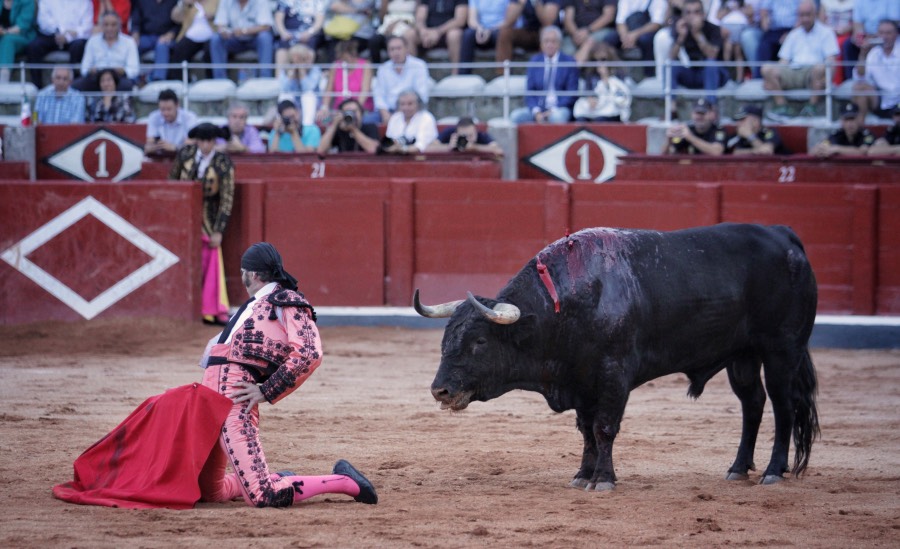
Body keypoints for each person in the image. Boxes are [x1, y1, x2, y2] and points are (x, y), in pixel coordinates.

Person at [53, 241, 378, 510]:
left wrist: (266, 391)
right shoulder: (251, 307)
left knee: (265, 497)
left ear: (250, 273)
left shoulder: (285, 301)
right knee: (209, 492)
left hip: (236, 400)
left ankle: (345, 481)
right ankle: (270, 475)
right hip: (210, 402)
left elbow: (309, 353)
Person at [169, 122, 235, 324]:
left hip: (208, 218)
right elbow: (172, 182)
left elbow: (227, 197)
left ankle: (211, 309)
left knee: (211, 260)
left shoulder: (223, 162)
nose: (205, 145)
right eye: (202, 141)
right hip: (182, 217)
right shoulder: (185, 154)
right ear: (197, 140)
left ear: (214, 141)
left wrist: (219, 230)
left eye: (209, 141)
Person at [760, 0, 839, 119]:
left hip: (813, 73)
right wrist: (771, 79)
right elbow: (783, 61)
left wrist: (829, 79)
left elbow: (831, 60)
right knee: (766, 69)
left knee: (820, 68)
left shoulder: (826, 32)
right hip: (793, 71)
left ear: (815, 14)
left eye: (808, 15)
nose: (805, 19)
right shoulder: (793, 34)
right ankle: (782, 106)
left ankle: (811, 107)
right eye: (802, 15)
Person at [509, 26, 580, 124]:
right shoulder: (535, 61)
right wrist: (536, 111)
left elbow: (572, 93)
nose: (549, 45)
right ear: (541, 44)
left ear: (559, 44)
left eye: (553, 41)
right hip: (538, 108)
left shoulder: (569, 62)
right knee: (516, 116)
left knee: (557, 118)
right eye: (546, 41)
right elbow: (529, 92)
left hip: (559, 108)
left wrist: (553, 110)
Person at [666, 0, 729, 102]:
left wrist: (697, 34)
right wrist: (681, 38)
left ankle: (711, 106)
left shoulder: (713, 29)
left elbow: (712, 55)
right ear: (683, 15)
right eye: (688, 13)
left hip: (716, 74)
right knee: (671, 66)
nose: (692, 16)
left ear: (703, 14)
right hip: (694, 72)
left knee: (710, 64)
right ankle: (671, 108)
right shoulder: (682, 29)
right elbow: (671, 57)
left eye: (696, 12)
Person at [25, 0, 92, 88]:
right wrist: (61, 31)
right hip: (52, 35)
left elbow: (87, 26)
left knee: (78, 46)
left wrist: (68, 37)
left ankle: (75, 88)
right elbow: (43, 21)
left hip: (75, 38)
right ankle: (37, 88)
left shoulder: (84, 2)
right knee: (33, 47)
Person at [73, 10, 140, 92]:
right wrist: (90, 70)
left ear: (119, 26)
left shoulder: (129, 42)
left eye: (113, 25)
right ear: (101, 26)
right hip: (96, 77)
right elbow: (84, 68)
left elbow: (134, 70)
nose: (109, 28)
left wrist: (123, 71)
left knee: (127, 85)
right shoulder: (92, 41)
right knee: (76, 85)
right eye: (106, 25)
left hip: (119, 77)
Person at [372, 35, 431, 124]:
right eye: (392, 49)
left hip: (412, 111)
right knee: (367, 122)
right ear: (388, 52)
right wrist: (385, 113)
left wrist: (400, 113)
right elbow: (379, 95)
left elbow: (421, 94)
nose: (396, 52)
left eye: (399, 48)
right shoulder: (383, 69)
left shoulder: (419, 66)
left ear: (406, 49)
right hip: (387, 112)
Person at [209, 0, 275, 80]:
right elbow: (220, 24)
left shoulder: (260, 1)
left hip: (254, 39)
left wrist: (244, 31)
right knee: (216, 38)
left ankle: (265, 79)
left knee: (265, 37)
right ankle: (220, 80)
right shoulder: (226, 1)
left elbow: (266, 26)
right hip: (233, 39)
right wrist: (224, 31)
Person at [851, 19, 899, 122]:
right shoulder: (873, 53)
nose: (884, 37)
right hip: (880, 100)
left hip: (898, 100)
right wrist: (863, 54)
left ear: (896, 34)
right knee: (859, 88)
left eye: (888, 33)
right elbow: (859, 77)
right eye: (881, 33)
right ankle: (860, 130)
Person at [603, 0, 667, 75]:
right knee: (609, 39)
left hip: (646, 31)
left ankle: (649, 75)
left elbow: (656, 23)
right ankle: (617, 74)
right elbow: (620, 21)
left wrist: (635, 35)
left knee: (646, 40)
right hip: (627, 31)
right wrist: (625, 37)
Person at [316, 39, 374, 122]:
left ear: (353, 53)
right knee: (323, 121)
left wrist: (354, 108)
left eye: (346, 58)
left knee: (362, 120)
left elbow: (365, 91)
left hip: (361, 110)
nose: (344, 61)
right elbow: (328, 90)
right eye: (342, 58)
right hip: (339, 111)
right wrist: (324, 107)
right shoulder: (336, 66)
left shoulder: (365, 65)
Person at [841, 0, 900, 81]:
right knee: (848, 45)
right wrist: (860, 37)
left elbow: (893, 25)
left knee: (886, 37)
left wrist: (875, 37)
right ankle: (851, 80)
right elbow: (857, 24)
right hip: (867, 36)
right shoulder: (859, 1)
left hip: (886, 35)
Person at [572, 42, 631, 122]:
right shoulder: (590, 73)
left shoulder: (618, 72)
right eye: (595, 60)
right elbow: (588, 92)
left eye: (603, 59)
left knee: (599, 120)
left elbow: (620, 95)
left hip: (612, 109)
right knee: (581, 119)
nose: (599, 63)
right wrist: (590, 99)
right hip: (595, 108)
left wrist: (605, 77)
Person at [496, 0, 563, 68]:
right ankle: (502, 73)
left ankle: (543, 73)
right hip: (528, 32)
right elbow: (508, 21)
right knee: (505, 32)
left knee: (546, 35)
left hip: (548, 33)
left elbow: (548, 22)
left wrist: (536, 2)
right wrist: (520, 3)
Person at [164, 0, 218, 81]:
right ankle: (180, 81)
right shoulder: (188, 3)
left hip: (211, 36)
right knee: (179, 49)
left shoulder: (216, 1)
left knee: (211, 50)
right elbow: (175, 18)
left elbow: (223, 17)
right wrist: (182, 4)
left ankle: (211, 80)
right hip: (191, 36)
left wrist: (213, 16)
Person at [130, 0, 180, 82]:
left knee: (162, 46)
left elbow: (179, 23)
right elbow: (135, 21)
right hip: (146, 37)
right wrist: (135, 34)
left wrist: (171, 34)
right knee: (132, 45)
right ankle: (133, 79)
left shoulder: (174, 1)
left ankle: (158, 80)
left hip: (166, 38)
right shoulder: (141, 1)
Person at [414, 0, 468, 74]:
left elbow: (460, 20)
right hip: (428, 33)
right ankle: (413, 73)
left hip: (448, 31)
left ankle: (456, 74)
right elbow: (419, 19)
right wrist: (423, 31)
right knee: (409, 35)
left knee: (454, 35)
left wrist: (438, 32)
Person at [458, 0, 510, 75]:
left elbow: (509, 20)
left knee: (503, 35)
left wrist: (490, 30)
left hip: (499, 29)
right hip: (480, 29)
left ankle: (502, 75)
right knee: (468, 34)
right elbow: (472, 20)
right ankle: (463, 75)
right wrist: (480, 29)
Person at [380, 88, 438, 154]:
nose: (406, 108)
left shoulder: (426, 118)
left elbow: (421, 146)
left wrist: (402, 149)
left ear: (418, 104)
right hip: (396, 157)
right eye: (402, 104)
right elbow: (389, 141)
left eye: (410, 104)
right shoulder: (395, 117)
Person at [273, 0, 325, 70]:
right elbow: (278, 19)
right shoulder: (284, 1)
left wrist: (309, 32)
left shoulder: (316, 2)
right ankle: (279, 78)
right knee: (282, 44)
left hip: (309, 34)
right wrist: (283, 33)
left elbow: (319, 21)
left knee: (311, 43)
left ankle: (305, 76)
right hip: (289, 33)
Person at [145, 88, 199, 154]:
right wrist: (155, 146)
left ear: (177, 105)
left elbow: (192, 144)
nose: (165, 113)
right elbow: (149, 144)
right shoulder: (154, 117)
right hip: (161, 158)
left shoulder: (189, 117)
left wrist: (174, 148)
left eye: (169, 109)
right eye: (162, 109)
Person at [426, 116, 504, 156]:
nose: (467, 139)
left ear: (476, 131)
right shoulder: (449, 133)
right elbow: (427, 149)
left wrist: (475, 148)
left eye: (470, 135)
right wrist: (448, 147)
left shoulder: (481, 136)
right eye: (464, 136)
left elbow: (499, 150)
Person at [0, 0, 36, 84]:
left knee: (7, 40)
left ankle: (3, 79)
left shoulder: (27, 2)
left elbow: (22, 26)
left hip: (22, 37)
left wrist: (4, 31)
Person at [756, 0, 800, 66]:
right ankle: (759, 75)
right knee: (764, 47)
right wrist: (765, 21)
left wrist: (791, 34)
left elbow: (803, 13)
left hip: (794, 30)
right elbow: (764, 10)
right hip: (773, 30)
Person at [278, 43, 323, 107]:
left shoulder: (315, 69)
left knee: (308, 96)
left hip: (312, 104)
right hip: (293, 103)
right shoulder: (285, 70)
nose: (298, 61)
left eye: (301, 59)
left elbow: (308, 88)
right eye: (295, 59)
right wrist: (292, 73)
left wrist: (302, 72)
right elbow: (284, 89)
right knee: (285, 95)